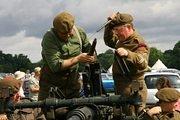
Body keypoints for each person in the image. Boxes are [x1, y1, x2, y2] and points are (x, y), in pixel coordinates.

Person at [39, 11, 95, 119]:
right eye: (64, 33)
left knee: (76, 115)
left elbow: (89, 49)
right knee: (49, 115)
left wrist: (92, 57)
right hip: (52, 87)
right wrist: (78, 58)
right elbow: (55, 66)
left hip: (73, 86)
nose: (69, 34)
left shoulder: (79, 32)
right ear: (56, 30)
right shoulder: (49, 38)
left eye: (70, 31)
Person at [103, 12, 150, 116]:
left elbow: (143, 63)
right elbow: (109, 41)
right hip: (121, 85)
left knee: (134, 114)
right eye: (114, 30)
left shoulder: (138, 42)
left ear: (128, 27)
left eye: (118, 30)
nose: (116, 34)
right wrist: (109, 25)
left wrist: (128, 54)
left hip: (134, 84)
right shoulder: (123, 39)